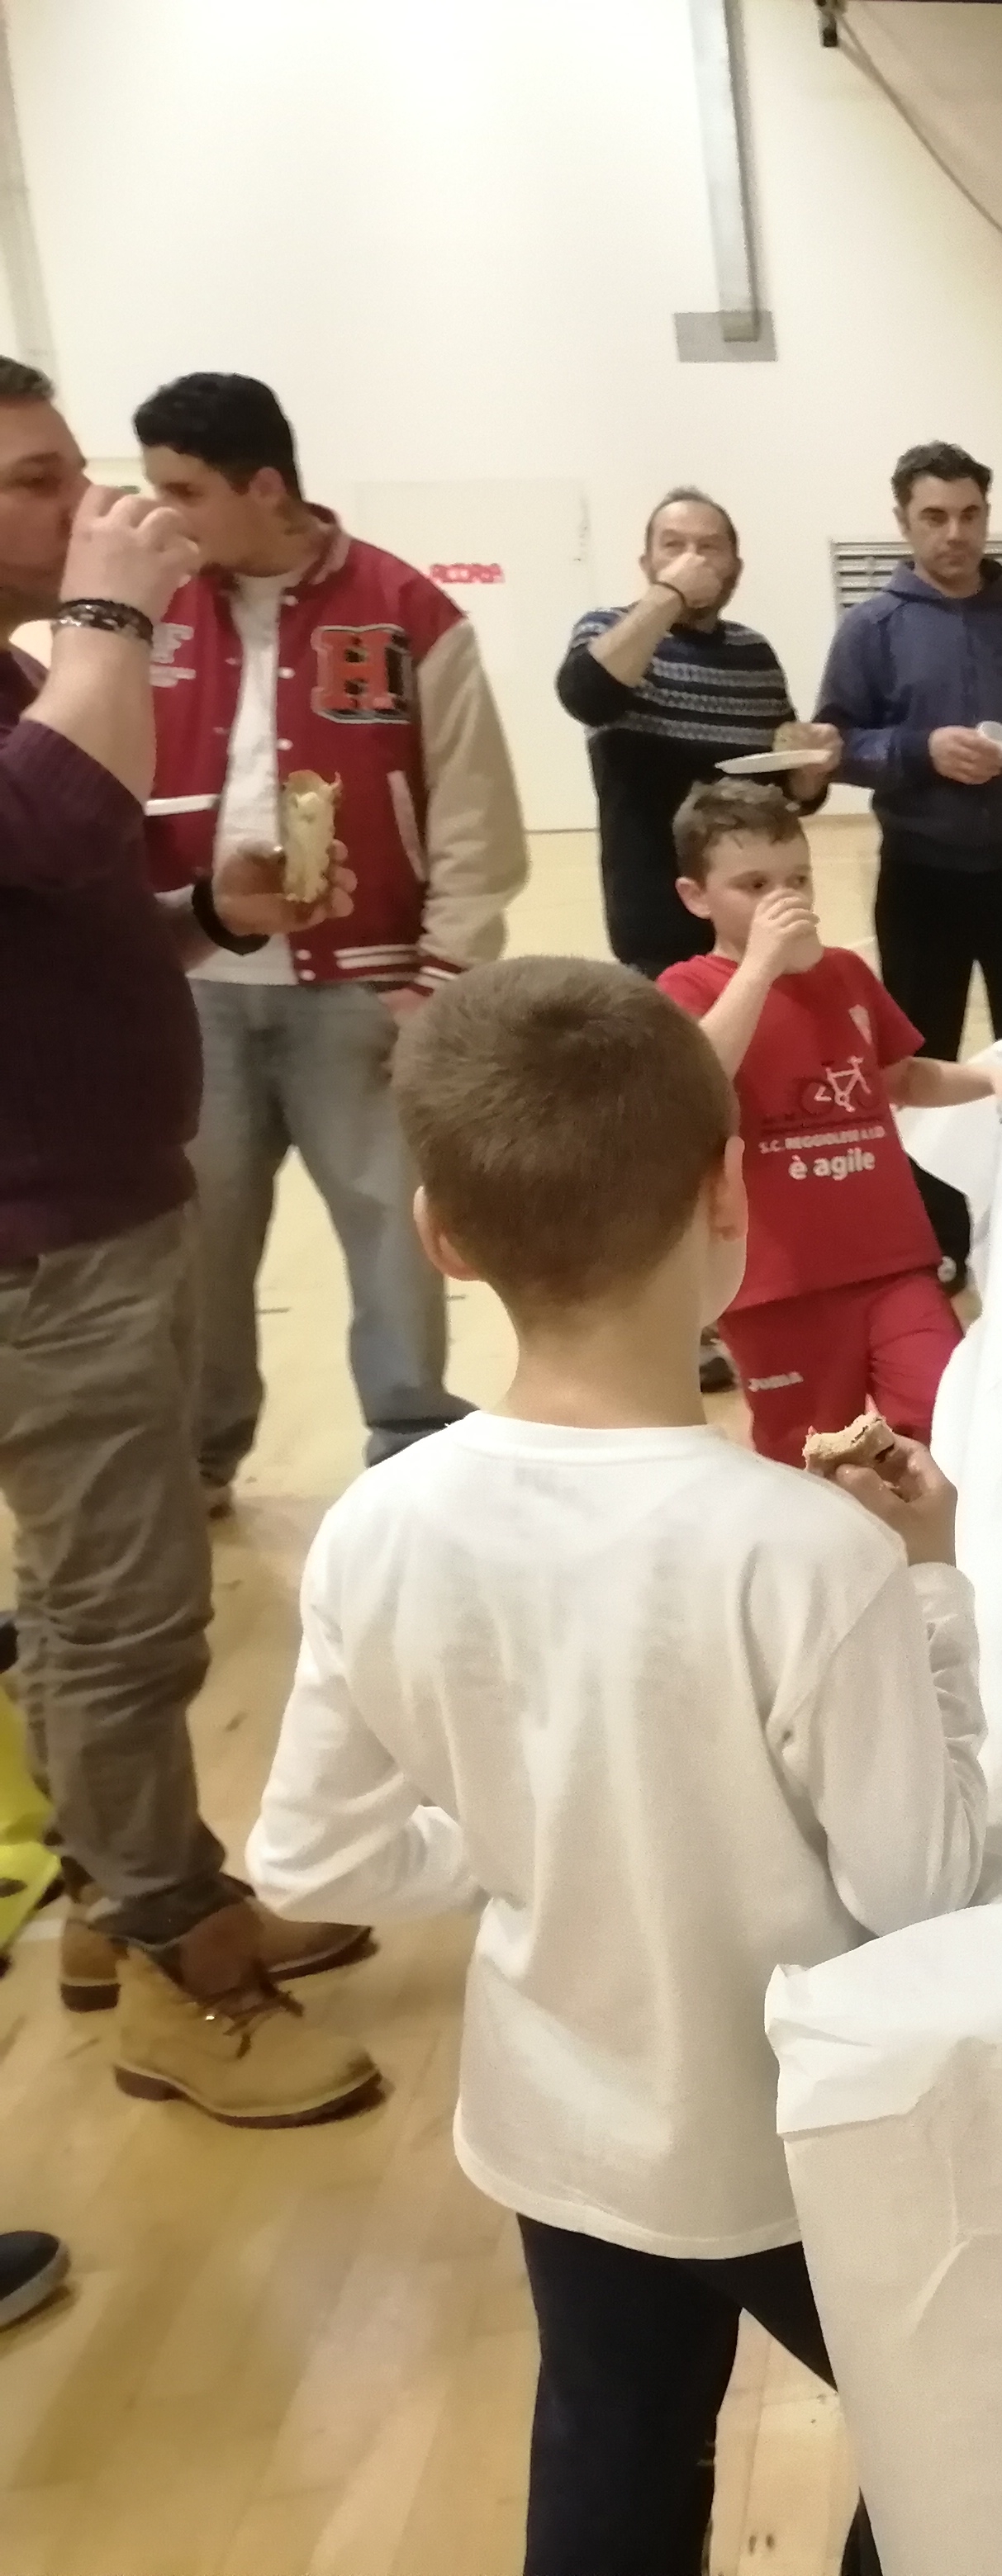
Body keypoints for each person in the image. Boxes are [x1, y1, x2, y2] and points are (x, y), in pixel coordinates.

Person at [248, 954, 989, 2576]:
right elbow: (922, 1888)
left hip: (564, 2126)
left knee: (613, 2445)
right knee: (972, 2436)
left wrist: (519, 1838)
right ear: (731, 1195)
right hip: (796, 2134)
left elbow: (309, 1861)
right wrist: (930, 1588)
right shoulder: (809, 1554)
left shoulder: (377, 1526)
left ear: (441, 1237)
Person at [0, 356, 382, 2130]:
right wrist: (111, 615)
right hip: (42, 1237)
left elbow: (59, 906)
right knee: (124, 1616)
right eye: (35, 482)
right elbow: (52, 821)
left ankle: (133, 1893)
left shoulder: (23, 677)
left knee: (104, 1601)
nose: (89, 508)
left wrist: (201, 916)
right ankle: (174, 1960)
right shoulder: (67, 656)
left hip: (97, 1203)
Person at [136, 371, 526, 1508]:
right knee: (199, 1235)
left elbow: (474, 815)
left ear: (265, 486)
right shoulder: (153, 607)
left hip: (364, 992)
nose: (163, 515)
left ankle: (408, 1439)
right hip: (191, 981)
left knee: (392, 1229)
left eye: (184, 491)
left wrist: (439, 983)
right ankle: (201, 1451)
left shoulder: (409, 612)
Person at [657, 782, 1002, 1467]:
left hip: (892, 1263)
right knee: (812, 1453)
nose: (783, 900)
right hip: (775, 1287)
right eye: (753, 885)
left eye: (797, 880)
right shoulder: (688, 988)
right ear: (697, 898)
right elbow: (694, 1081)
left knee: (948, 1413)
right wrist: (759, 968)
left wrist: (990, 1078)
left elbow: (900, 1077)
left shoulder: (844, 973)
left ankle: (941, 1532)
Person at [814, 440, 1002, 1269]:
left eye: (969, 515)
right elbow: (834, 745)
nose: (954, 533)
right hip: (920, 880)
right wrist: (920, 753)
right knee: (916, 1068)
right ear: (903, 522)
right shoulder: (871, 630)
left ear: (987, 517)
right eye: (934, 517)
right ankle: (933, 1242)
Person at [557, 486, 840, 978]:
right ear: (647, 563)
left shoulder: (754, 653)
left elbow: (780, 791)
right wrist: (669, 595)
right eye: (673, 546)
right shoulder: (608, 630)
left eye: (709, 547)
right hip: (654, 921)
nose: (692, 559)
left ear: (736, 568)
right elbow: (586, 696)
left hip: (758, 918)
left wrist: (809, 775)